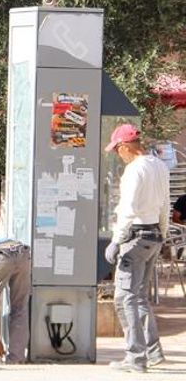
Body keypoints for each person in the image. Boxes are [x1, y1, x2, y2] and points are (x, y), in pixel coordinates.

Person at [103, 124, 169, 372]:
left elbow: (128, 209)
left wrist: (116, 241)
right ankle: (153, 353)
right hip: (153, 236)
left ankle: (135, 358)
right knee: (139, 297)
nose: (118, 155)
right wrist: (161, 235)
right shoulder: (159, 166)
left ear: (124, 146)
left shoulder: (133, 171)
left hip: (135, 237)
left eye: (117, 150)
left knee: (124, 298)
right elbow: (165, 204)